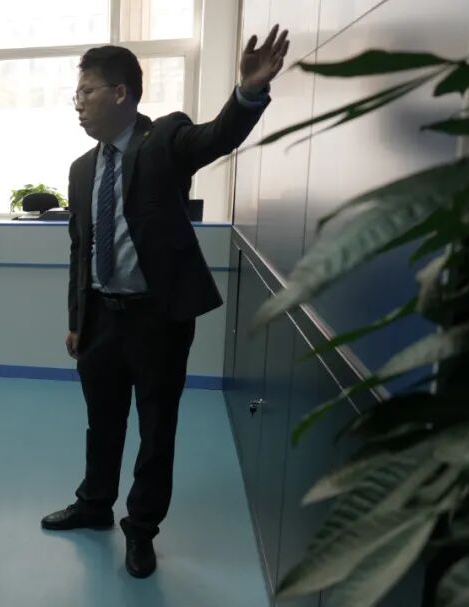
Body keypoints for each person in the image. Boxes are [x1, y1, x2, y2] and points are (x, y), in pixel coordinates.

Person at [42, 26, 290, 579]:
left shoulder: (165, 141)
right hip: (101, 318)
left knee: (156, 430)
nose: (77, 102)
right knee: (102, 422)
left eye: (85, 91)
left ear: (120, 93)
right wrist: (77, 320)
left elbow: (218, 137)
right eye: (76, 93)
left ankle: (141, 528)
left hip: (156, 321)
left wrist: (248, 92)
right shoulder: (81, 169)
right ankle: (94, 504)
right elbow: (81, 250)